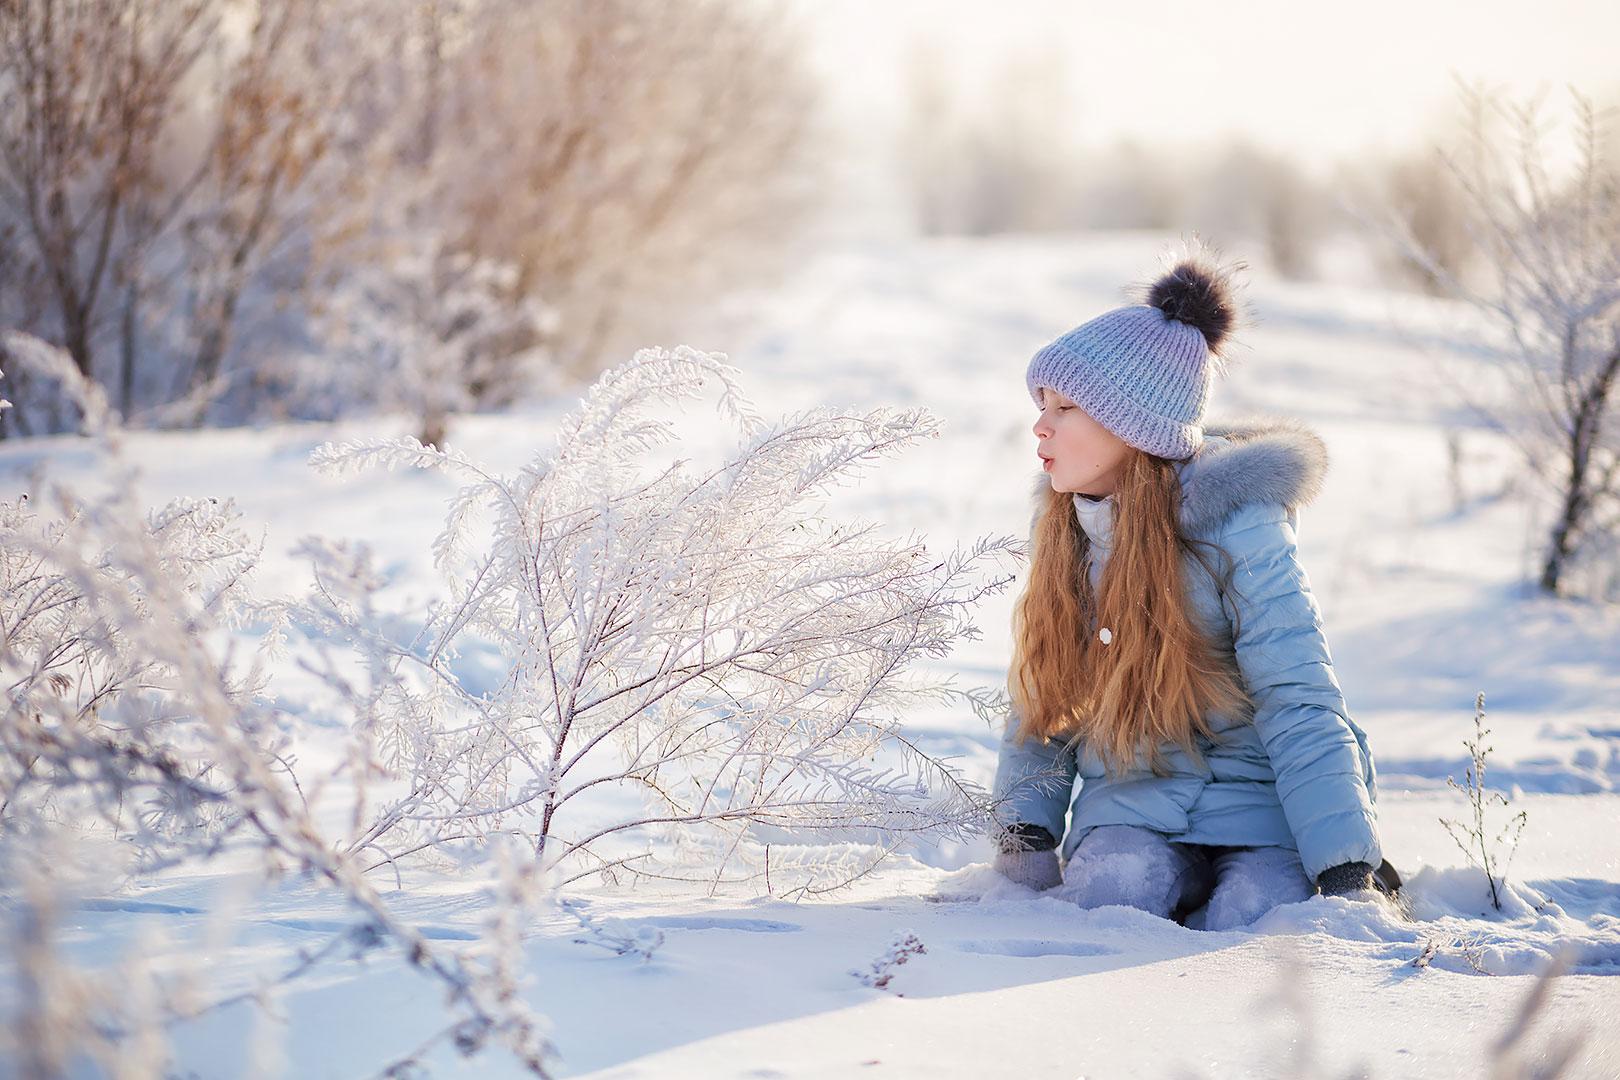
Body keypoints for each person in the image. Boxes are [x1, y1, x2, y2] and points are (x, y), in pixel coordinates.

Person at [990, 240, 1400, 931]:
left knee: (1260, 919)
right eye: (1042, 404)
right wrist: (1022, 840)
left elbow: (1298, 698)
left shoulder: (1241, 529)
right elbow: (1045, 694)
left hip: (1260, 810)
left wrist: (1343, 866)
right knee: (1111, 899)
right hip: (1127, 805)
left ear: (1133, 428)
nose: (1040, 424)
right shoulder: (1065, 530)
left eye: (1065, 408)